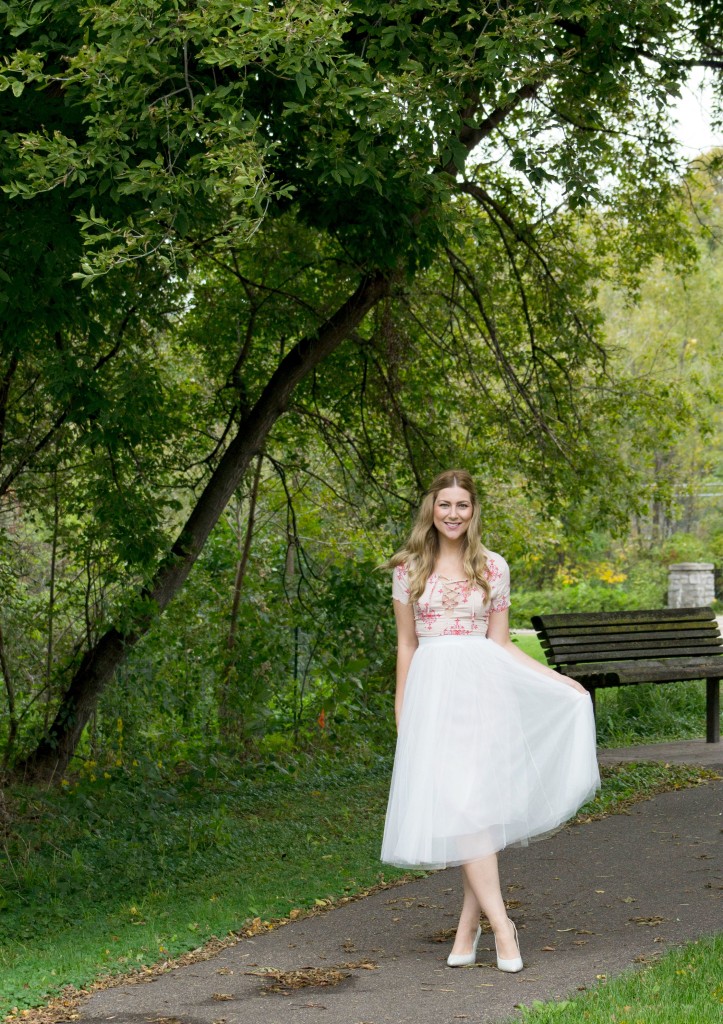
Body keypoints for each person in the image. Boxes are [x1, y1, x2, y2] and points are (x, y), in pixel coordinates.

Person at [380, 469, 600, 972]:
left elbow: (499, 643)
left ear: (473, 511)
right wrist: (403, 709)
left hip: (483, 692)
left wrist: (560, 682)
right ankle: (498, 924)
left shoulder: (492, 567)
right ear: (430, 511)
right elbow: (406, 645)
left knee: (472, 808)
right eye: (445, 505)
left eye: (462, 505)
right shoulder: (409, 567)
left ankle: (479, 926)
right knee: (462, 807)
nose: (453, 514)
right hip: (434, 695)